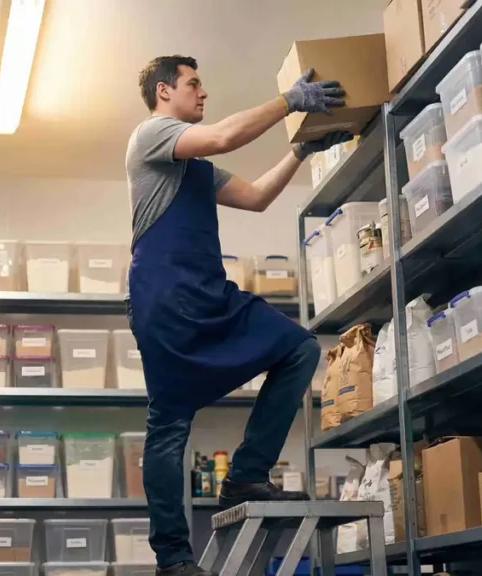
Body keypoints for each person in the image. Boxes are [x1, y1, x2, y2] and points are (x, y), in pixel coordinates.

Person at [124, 54, 353, 576]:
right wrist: (289, 102)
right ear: (164, 92)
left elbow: (254, 198)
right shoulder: (152, 135)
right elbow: (225, 136)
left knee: (299, 348)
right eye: (193, 84)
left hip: (209, 291)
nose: (202, 94)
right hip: (164, 296)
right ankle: (174, 558)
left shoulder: (196, 166)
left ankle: (246, 474)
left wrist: (299, 151)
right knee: (170, 421)